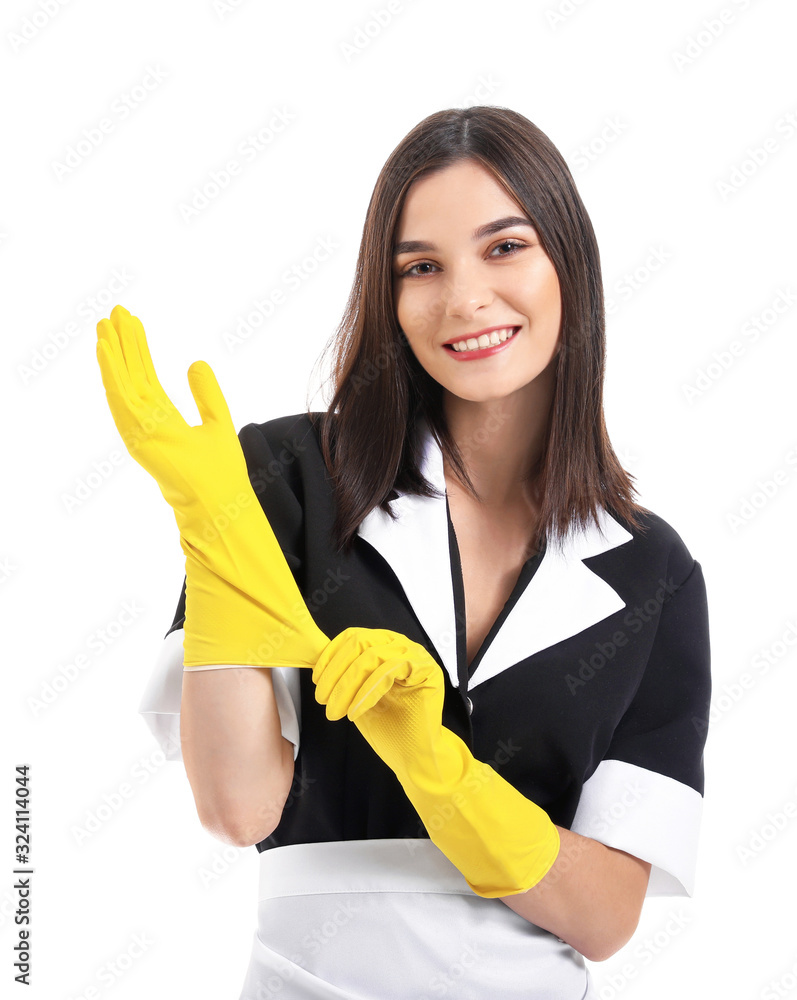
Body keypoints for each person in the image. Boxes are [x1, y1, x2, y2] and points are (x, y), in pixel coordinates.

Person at [97, 105, 711, 999]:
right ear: (386, 299)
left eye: (505, 247)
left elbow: (607, 915)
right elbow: (238, 808)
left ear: (568, 264)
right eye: (420, 267)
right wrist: (212, 526)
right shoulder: (285, 477)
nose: (462, 298)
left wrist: (438, 766)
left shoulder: (650, 570)